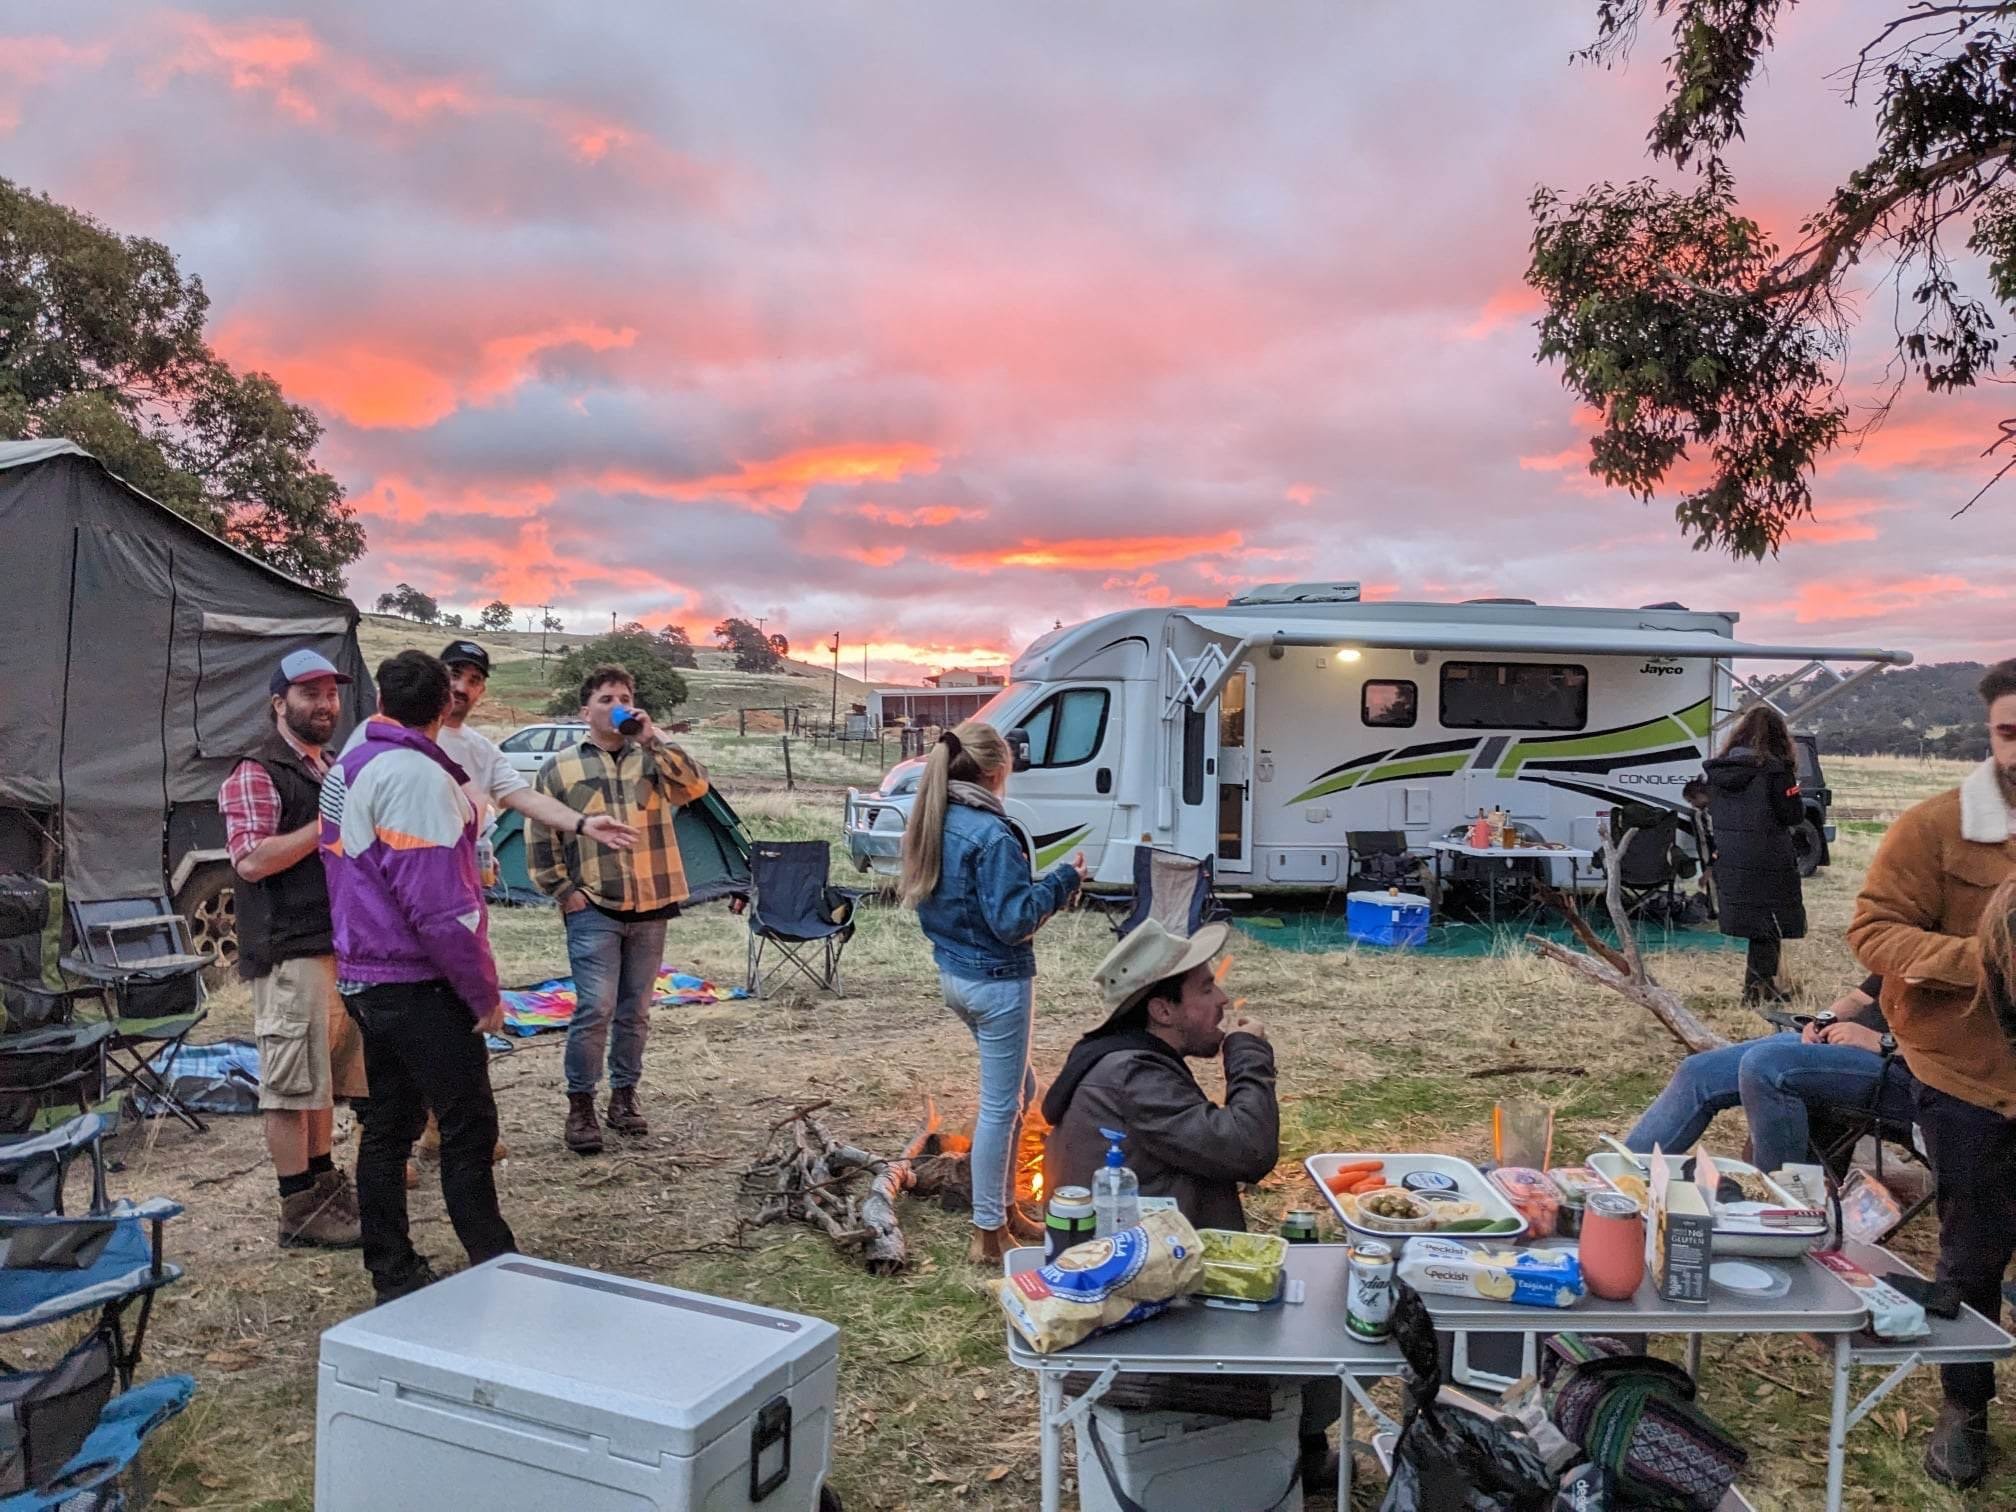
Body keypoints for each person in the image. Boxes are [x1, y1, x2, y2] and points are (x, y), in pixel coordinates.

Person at [1042, 919, 1337, 1486]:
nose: (1224, 999)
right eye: (1205, 988)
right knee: (1343, 1315)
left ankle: (1298, 1451)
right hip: (1147, 1306)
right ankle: (1292, 1454)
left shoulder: (1125, 1059)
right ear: (1162, 1010)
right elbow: (1247, 1149)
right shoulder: (1133, 1074)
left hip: (1148, 1274)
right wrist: (1249, 1054)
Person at [343, 640, 640, 1169]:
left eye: (476, 680)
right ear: (437, 683)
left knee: (447, 1025)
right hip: (395, 916)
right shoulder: (378, 742)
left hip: (455, 898)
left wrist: (581, 822)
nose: (464, 687)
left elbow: (518, 796)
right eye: (455, 675)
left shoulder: (478, 749)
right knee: (413, 1032)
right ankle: (403, 1142)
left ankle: (434, 1132)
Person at [1848, 658, 2016, 1488]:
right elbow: (1874, 932)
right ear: (1989, 732)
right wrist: (1983, 959)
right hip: (1970, 1075)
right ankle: (1965, 1410)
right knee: (1973, 1253)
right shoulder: (1935, 827)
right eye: (2011, 732)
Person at [321, 650, 517, 1304]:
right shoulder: (417, 779)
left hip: (365, 973)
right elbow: (440, 909)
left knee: (389, 1124)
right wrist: (482, 993)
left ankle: (393, 1271)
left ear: (381, 700)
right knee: (466, 1125)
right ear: (442, 706)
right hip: (415, 979)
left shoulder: (350, 766)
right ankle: (497, 1263)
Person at [898, 722, 1083, 1263]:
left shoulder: (937, 817)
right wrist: (1063, 881)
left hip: (956, 977)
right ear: (996, 771)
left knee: (1020, 1091)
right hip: (997, 983)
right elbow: (1012, 920)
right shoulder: (992, 833)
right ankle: (985, 1233)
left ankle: (1006, 1210)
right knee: (1001, 1108)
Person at [526, 664, 709, 1157]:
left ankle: (624, 1099)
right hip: (594, 904)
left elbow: (695, 789)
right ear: (585, 710)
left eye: (624, 696)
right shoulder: (560, 766)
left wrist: (655, 740)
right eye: (606, 698)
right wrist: (563, 891)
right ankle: (580, 1105)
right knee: (595, 1008)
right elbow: (540, 835)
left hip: (651, 903)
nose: (616, 705)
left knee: (637, 1012)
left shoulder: (652, 757)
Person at [218, 649, 363, 1250]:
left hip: (333, 946)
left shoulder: (325, 766)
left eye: (330, 692)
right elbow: (250, 861)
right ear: (280, 703)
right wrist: (326, 824)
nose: (324, 703)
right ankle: (296, 1208)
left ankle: (325, 1185)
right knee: (288, 1085)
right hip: (287, 951)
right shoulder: (256, 771)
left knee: (320, 1082)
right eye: (309, 693)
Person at [1624, 975, 1917, 1173]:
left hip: (1908, 1075)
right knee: (1700, 1070)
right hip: (1847, 1048)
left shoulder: (1957, 950)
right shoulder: (1913, 933)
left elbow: (1961, 1052)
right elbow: (1858, 999)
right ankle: (1616, 1180)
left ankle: (1778, 1207)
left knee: (1766, 1066)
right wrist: (1823, 1020)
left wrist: (1883, 1042)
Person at [1702, 705, 1807, 1003]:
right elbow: (1792, 815)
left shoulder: (1719, 772)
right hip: (1769, 856)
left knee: (1757, 924)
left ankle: (1759, 985)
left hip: (1732, 856)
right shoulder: (1777, 771)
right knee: (1769, 923)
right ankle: (1758, 991)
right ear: (1779, 737)